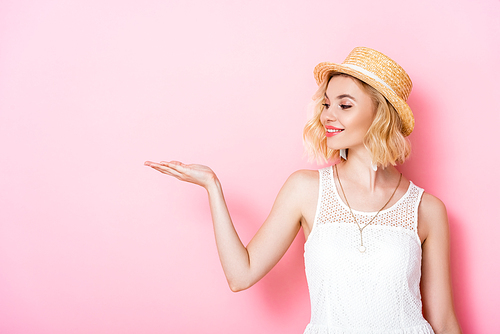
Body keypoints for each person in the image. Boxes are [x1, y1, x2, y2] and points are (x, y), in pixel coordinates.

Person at [144, 47, 461, 334]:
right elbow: (241, 275)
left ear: (380, 114)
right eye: (326, 103)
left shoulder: (427, 209)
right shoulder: (306, 190)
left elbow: (444, 320)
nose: (327, 115)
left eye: (344, 104)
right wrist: (212, 186)